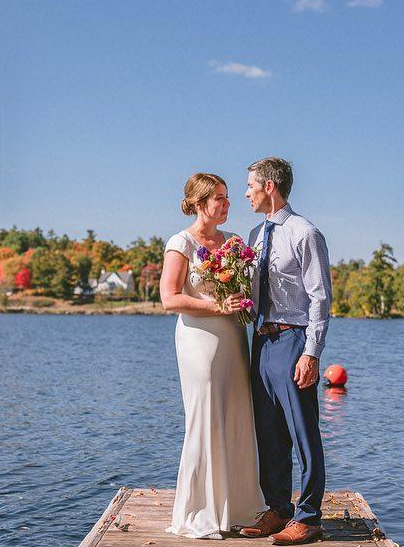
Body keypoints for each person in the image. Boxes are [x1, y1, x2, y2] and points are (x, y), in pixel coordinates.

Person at [161, 172, 267, 539]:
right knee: (204, 417)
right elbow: (169, 298)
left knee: (237, 415)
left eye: (227, 197)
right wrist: (219, 305)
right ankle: (200, 511)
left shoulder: (234, 242)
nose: (226, 204)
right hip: (198, 341)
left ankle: (237, 507)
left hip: (234, 338)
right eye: (218, 198)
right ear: (198, 202)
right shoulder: (181, 243)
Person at [238, 157, 332, 545]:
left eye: (250, 186)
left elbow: (320, 298)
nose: (247, 193)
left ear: (270, 187)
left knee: (303, 432)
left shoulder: (305, 233)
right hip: (261, 341)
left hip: (294, 340)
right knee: (269, 431)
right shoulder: (255, 234)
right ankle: (278, 508)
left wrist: (311, 352)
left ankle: (308, 517)